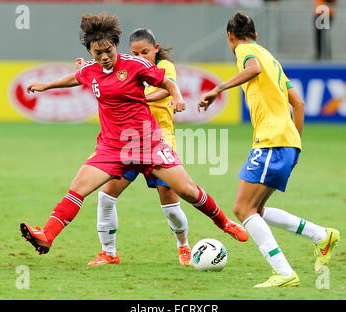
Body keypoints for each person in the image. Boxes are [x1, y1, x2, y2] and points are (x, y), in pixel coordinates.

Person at [20, 12, 249, 258]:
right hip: (111, 148)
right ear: (90, 52)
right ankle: (47, 235)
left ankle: (224, 223)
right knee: (78, 188)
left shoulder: (135, 65)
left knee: (187, 191)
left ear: (115, 45)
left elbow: (167, 84)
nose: (105, 57)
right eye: (98, 53)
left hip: (148, 143)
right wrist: (46, 85)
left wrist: (179, 97)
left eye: (108, 50)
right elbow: (75, 78)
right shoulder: (90, 69)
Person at [198, 11, 340, 287]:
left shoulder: (244, 50)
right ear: (257, 34)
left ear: (230, 37)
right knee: (256, 210)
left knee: (242, 208)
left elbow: (252, 70)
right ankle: (321, 236)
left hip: (272, 140)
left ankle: (284, 272)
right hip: (286, 142)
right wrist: (295, 143)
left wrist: (218, 89)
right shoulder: (270, 57)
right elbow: (298, 102)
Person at [77, 28, 192, 266]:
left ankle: (184, 247)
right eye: (135, 52)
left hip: (158, 140)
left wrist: (137, 98)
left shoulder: (163, 68)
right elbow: (103, 67)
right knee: (107, 196)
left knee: (170, 205)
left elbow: (164, 89)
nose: (141, 56)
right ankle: (108, 252)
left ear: (156, 49)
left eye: (145, 52)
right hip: (127, 142)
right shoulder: (126, 66)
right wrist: (85, 66)